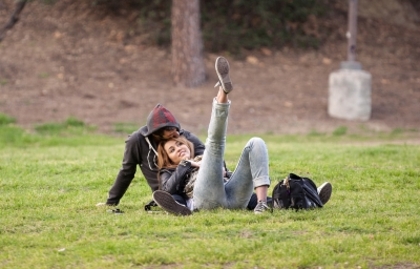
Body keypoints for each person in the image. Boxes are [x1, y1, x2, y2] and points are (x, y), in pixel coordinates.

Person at [152, 56, 272, 215]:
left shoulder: (202, 156)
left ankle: (262, 204)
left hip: (234, 198)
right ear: (168, 159)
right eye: (172, 150)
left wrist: (222, 170)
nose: (178, 149)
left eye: (179, 144)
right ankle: (222, 94)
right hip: (206, 200)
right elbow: (167, 190)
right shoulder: (168, 171)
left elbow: (218, 167)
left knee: (256, 142)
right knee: (215, 144)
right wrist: (188, 164)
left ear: (187, 145)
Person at [96, 103, 205, 207]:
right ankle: (176, 205)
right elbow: (126, 172)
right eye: (170, 130)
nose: (177, 133)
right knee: (172, 197)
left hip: (193, 186)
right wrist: (111, 202)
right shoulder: (137, 141)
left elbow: (211, 156)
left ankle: (192, 202)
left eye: (175, 128)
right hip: (166, 192)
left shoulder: (183, 135)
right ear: (157, 133)